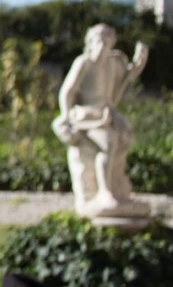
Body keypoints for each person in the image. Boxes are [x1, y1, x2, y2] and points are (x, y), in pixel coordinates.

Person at [52, 23, 148, 218]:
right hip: (89, 113)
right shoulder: (84, 62)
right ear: (90, 42)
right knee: (107, 143)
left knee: (126, 134)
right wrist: (65, 115)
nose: (103, 45)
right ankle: (104, 193)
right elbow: (68, 90)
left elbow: (122, 83)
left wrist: (138, 65)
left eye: (108, 41)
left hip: (107, 111)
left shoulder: (113, 63)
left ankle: (117, 186)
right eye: (99, 40)